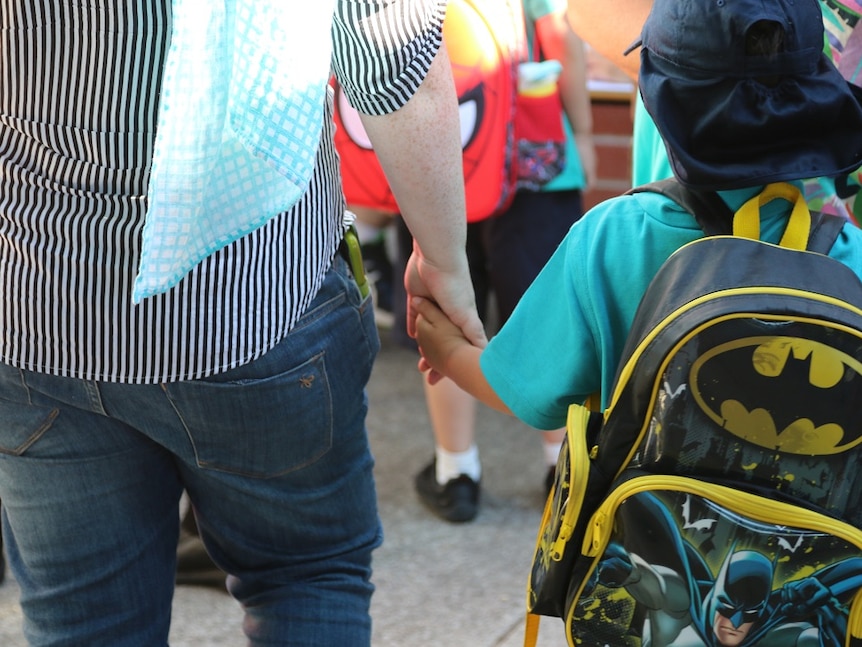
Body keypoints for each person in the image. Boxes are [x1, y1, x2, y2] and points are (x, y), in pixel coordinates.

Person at [0, 2, 483, 645]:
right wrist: (444, 263)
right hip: (258, 301)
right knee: (305, 580)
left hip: (41, 306)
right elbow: (396, 66)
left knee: (83, 619)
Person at [412, 0, 862, 478]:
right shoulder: (847, 254)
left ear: (659, 100)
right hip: (810, 547)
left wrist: (448, 351)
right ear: (814, 101)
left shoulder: (614, 237)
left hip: (654, 544)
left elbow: (521, 390)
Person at [408, 0, 597, 523]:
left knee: (445, 315)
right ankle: (562, 468)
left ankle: (456, 471)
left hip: (447, 164)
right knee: (548, 323)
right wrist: (581, 132)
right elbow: (563, 40)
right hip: (534, 167)